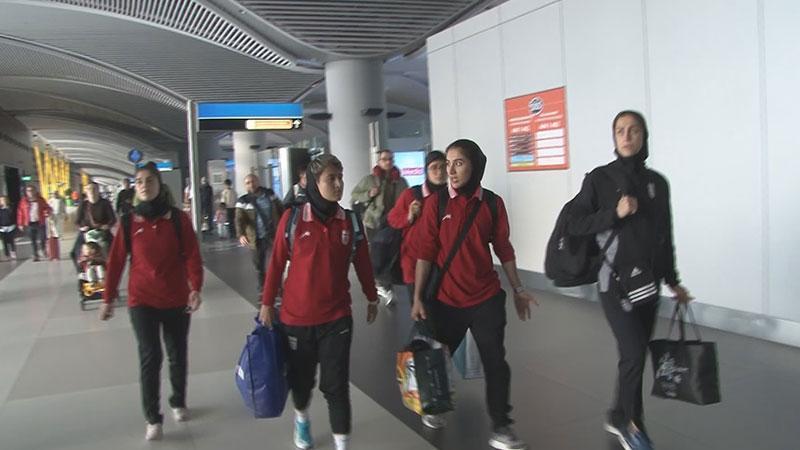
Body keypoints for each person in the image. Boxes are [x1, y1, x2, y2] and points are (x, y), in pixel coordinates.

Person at [567, 111, 692, 450]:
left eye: (633, 130)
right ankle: (632, 423)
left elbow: (664, 234)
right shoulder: (599, 179)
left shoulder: (657, 183)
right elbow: (575, 224)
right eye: (620, 130)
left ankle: (616, 412)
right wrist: (614, 214)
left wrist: (673, 280)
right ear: (614, 137)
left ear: (643, 136)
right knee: (635, 351)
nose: (626, 136)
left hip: (648, 283)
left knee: (632, 354)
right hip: (614, 282)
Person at [411, 139, 537, 450]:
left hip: (485, 297)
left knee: (496, 362)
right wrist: (417, 297)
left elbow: (504, 248)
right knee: (436, 357)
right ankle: (436, 405)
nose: (451, 171)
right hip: (446, 299)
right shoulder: (437, 204)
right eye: (448, 164)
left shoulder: (491, 204)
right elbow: (425, 253)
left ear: (475, 166)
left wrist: (519, 289)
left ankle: (501, 425)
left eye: (459, 163)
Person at [259, 154, 378, 450]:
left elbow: (363, 262)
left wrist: (371, 296)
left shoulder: (350, 221)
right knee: (301, 383)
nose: (338, 184)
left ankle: (342, 443)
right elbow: (276, 262)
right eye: (330, 179)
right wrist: (266, 303)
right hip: (296, 319)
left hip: (337, 319)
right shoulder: (293, 219)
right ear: (314, 183)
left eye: (340, 177)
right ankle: (301, 418)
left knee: (336, 386)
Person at [99, 161, 203, 441]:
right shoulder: (128, 222)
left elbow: (193, 255)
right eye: (139, 182)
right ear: (135, 188)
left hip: (176, 298)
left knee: (177, 353)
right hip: (141, 300)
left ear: (159, 185)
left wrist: (195, 287)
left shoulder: (178, 220)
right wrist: (108, 298)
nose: (144, 185)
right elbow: (116, 262)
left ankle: (178, 400)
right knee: (150, 356)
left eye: (149, 180)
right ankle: (152, 417)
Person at [387, 151, 447, 303]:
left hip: (445, 263)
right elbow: (392, 219)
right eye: (434, 167)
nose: (439, 172)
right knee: (420, 308)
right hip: (414, 262)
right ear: (426, 170)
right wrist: (408, 216)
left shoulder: (453, 196)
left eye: (443, 167)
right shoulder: (411, 194)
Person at [350, 149, 409, 305]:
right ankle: (382, 284)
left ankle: (386, 282)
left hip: (394, 221)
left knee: (392, 252)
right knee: (378, 252)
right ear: (379, 161)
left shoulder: (400, 181)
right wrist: (369, 194)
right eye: (384, 159)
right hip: (374, 221)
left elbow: (407, 198)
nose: (388, 162)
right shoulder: (370, 179)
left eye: (390, 159)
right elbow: (355, 194)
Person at [236, 174, 283, 299]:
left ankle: (278, 287)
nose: (251, 184)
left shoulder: (270, 194)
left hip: (273, 235)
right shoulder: (243, 201)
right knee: (259, 265)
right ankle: (263, 288)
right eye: (248, 183)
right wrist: (241, 234)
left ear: (258, 181)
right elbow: (239, 219)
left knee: (276, 261)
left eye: (253, 181)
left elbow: (281, 209)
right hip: (256, 237)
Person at [71, 182, 116, 272]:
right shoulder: (83, 204)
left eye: (94, 189)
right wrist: (82, 227)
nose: (92, 191)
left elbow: (112, 219)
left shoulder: (105, 203)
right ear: (86, 191)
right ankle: (81, 272)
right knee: (75, 252)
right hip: (87, 232)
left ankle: (110, 270)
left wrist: (107, 225)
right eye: (89, 189)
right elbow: (77, 221)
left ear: (98, 190)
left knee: (114, 250)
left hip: (102, 232)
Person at [17, 184, 51, 261]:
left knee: (43, 237)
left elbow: (47, 207)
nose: (30, 192)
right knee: (33, 240)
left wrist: (47, 211)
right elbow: (20, 213)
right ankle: (35, 255)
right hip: (29, 223)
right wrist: (20, 224)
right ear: (26, 192)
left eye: (32, 190)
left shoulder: (40, 200)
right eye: (28, 191)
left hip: (40, 222)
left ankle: (43, 249)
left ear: (35, 191)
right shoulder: (23, 201)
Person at [0, 196, 17, 260]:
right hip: (2, 228)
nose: (3, 201)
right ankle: (7, 254)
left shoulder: (11, 208)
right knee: (4, 242)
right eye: (1, 200)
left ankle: (13, 252)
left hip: (11, 226)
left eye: (4, 200)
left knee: (11, 241)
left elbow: (14, 215)